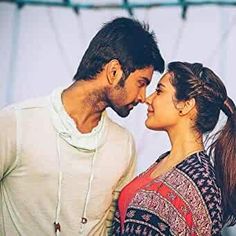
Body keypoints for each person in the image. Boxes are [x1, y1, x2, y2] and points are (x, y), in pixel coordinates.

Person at [0, 17, 164, 236]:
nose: (144, 97)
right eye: (141, 83)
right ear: (114, 71)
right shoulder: (17, 123)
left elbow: (110, 225)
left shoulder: (123, 145)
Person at [112, 61, 236, 235]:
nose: (148, 99)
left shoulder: (202, 181)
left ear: (186, 105)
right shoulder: (163, 161)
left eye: (160, 91)